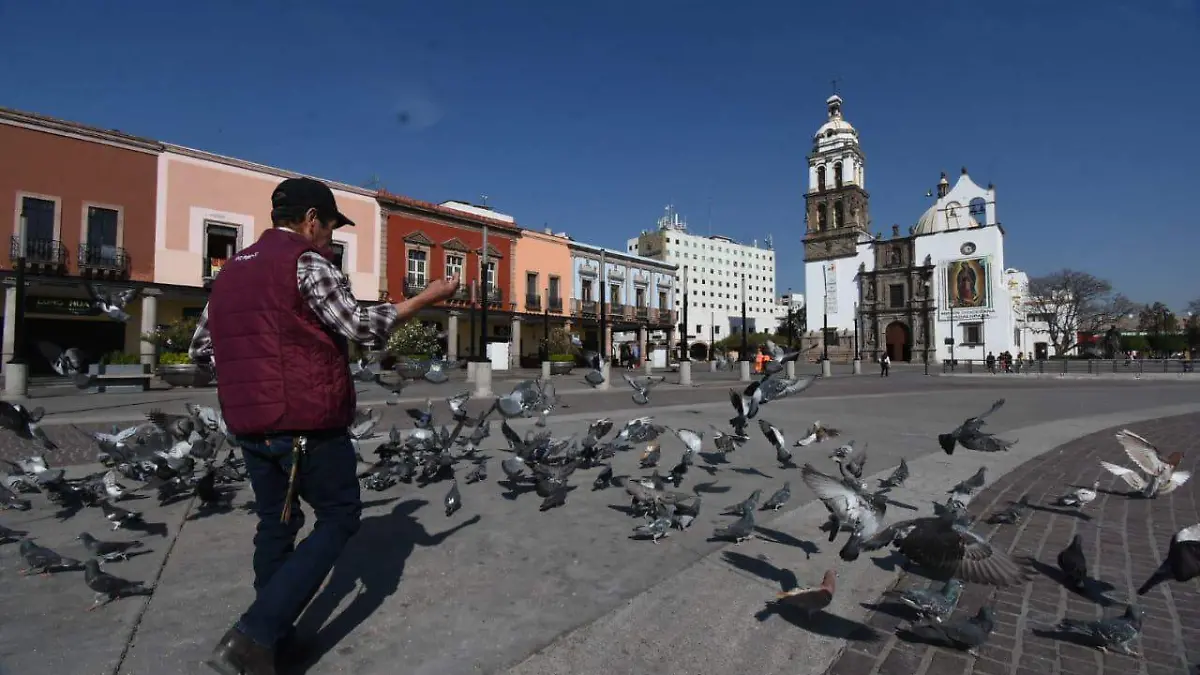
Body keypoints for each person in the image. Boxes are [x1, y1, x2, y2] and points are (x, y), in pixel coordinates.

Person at [189, 177, 460, 675]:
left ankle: (273, 641)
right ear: (312, 219)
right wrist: (426, 298)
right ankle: (252, 635)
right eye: (331, 225)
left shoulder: (230, 273)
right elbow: (358, 325)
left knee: (277, 523)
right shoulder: (307, 262)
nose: (331, 237)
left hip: (249, 424)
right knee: (338, 516)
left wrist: (254, 379)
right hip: (305, 422)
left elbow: (202, 352)